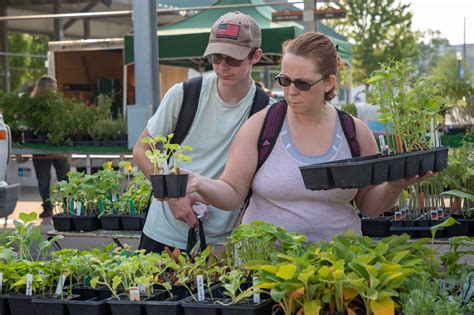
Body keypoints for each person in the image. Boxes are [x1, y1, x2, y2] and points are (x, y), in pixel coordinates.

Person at [184, 32, 435, 242]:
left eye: (302, 84)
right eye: (284, 80)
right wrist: (196, 183)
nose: (290, 91)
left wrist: (393, 186)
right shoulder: (261, 127)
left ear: (328, 83)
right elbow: (232, 192)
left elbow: (369, 206)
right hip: (265, 270)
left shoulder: (354, 132)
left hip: (338, 269)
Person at [133, 11, 270, 253]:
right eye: (216, 57)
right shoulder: (185, 94)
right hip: (163, 230)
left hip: (220, 242)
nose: (223, 66)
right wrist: (173, 197)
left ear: (255, 56)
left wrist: (235, 240)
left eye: (233, 59)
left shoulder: (265, 110)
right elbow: (142, 150)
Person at [30, 76, 70, 218]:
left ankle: (49, 207)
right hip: (55, 145)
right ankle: (67, 205)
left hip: (42, 146)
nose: (55, 90)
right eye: (53, 87)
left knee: (45, 179)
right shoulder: (55, 104)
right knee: (63, 177)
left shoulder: (33, 104)